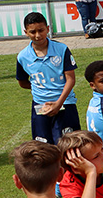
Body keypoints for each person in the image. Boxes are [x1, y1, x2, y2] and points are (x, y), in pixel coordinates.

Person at [16, 12, 81, 144]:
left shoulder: (61, 49)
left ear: (47, 28)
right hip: (40, 106)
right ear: (26, 32)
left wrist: (59, 103)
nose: (37, 35)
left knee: (68, 146)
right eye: (32, 32)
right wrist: (40, 88)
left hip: (65, 104)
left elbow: (71, 79)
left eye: (41, 30)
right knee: (43, 147)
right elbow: (22, 82)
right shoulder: (22, 56)